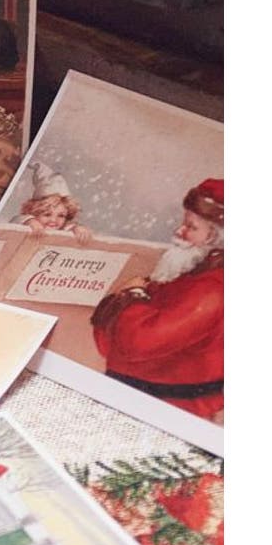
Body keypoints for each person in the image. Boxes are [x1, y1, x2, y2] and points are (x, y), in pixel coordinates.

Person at [91, 178, 224, 422]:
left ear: (215, 238)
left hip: (169, 410)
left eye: (191, 227)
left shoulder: (211, 290)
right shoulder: (186, 273)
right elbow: (109, 345)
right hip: (138, 399)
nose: (179, 232)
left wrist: (132, 295)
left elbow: (139, 342)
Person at [11, 162, 91, 244]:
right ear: (34, 213)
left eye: (61, 215)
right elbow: (15, 221)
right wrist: (30, 221)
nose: (53, 220)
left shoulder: (63, 228)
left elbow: (69, 227)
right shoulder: (28, 223)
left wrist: (77, 228)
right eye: (47, 214)